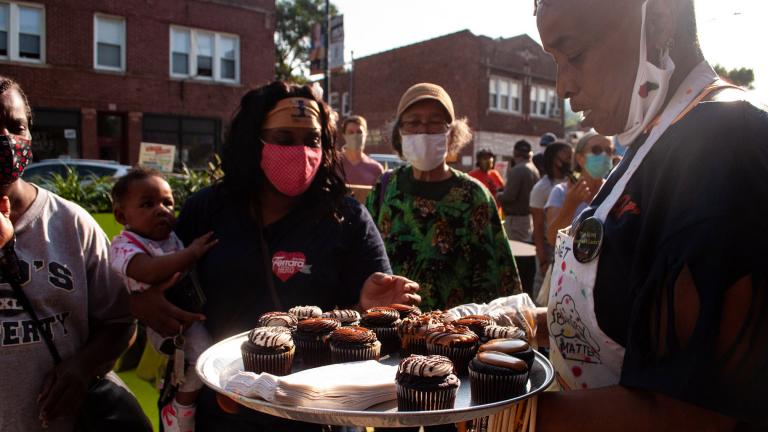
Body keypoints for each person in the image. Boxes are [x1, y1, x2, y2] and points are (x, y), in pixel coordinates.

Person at [525, 0, 768, 429]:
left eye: (574, 54)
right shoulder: (653, 139)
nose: (562, 86)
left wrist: (495, 416)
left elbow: (692, 410)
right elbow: (624, 305)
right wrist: (519, 323)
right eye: (556, 62)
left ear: (657, 22)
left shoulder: (724, 144)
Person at [128, 81, 420, 431]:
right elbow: (143, 272)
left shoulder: (346, 217)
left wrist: (369, 310)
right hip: (223, 411)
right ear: (253, 141)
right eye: (283, 139)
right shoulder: (207, 209)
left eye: (311, 140)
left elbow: (379, 333)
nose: (300, 152)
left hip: (320, 413)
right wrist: (142, 302)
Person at [0, 76, 146, 431]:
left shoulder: (71, 223)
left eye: (14, 126)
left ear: (29, 134)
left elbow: (120, 322)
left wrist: (83, 367)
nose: (4, 138)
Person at [366, 82, 521, 312]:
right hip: (389, 332)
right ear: (400, 132)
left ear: (451, 133)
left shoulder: (474, 196)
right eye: (414, 122)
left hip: (454, 338)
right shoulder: (385, 188)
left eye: (435, 122)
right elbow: (363, 261)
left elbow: (498, 281)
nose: (424, 131)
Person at [109, 168, 218, 432]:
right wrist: (192, 253)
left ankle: (179, 400)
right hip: (162, 326)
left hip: (184, 317)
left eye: (167, 203)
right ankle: (181, 407)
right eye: (148, 204)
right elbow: (150, 270)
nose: (161, 210)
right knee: (204, 356)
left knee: (202, 359)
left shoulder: (170, 239)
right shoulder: (124, 245)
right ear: (121, 215)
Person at [544, 132, 613, 245]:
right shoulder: (561, 192)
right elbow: (553, 239)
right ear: (580, 158)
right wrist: (570, 205)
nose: (604, 155)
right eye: (596, 150)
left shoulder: (615, 190)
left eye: (609, 151)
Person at [528, 142, 572, 299]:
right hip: (549, 255)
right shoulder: (542, 188)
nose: (572, 160)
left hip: (569, 256)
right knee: (543, 299)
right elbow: (538, 227)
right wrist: (542, 261)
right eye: (568, 156)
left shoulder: (573, 183)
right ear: (556, 160)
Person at [497, 140, 540, 241]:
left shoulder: (518, 169)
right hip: (527, 218)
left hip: (516, 220)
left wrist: (498, 195)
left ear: (515, 153)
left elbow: (509, 196)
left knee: (516, 253)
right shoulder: (534, 169)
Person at [338, 115, 384, 186]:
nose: (355, 135)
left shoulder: (376, 168)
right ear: (344, 135)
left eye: (359, 132)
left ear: (366, 134)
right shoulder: (334, 163)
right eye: (351, 132)